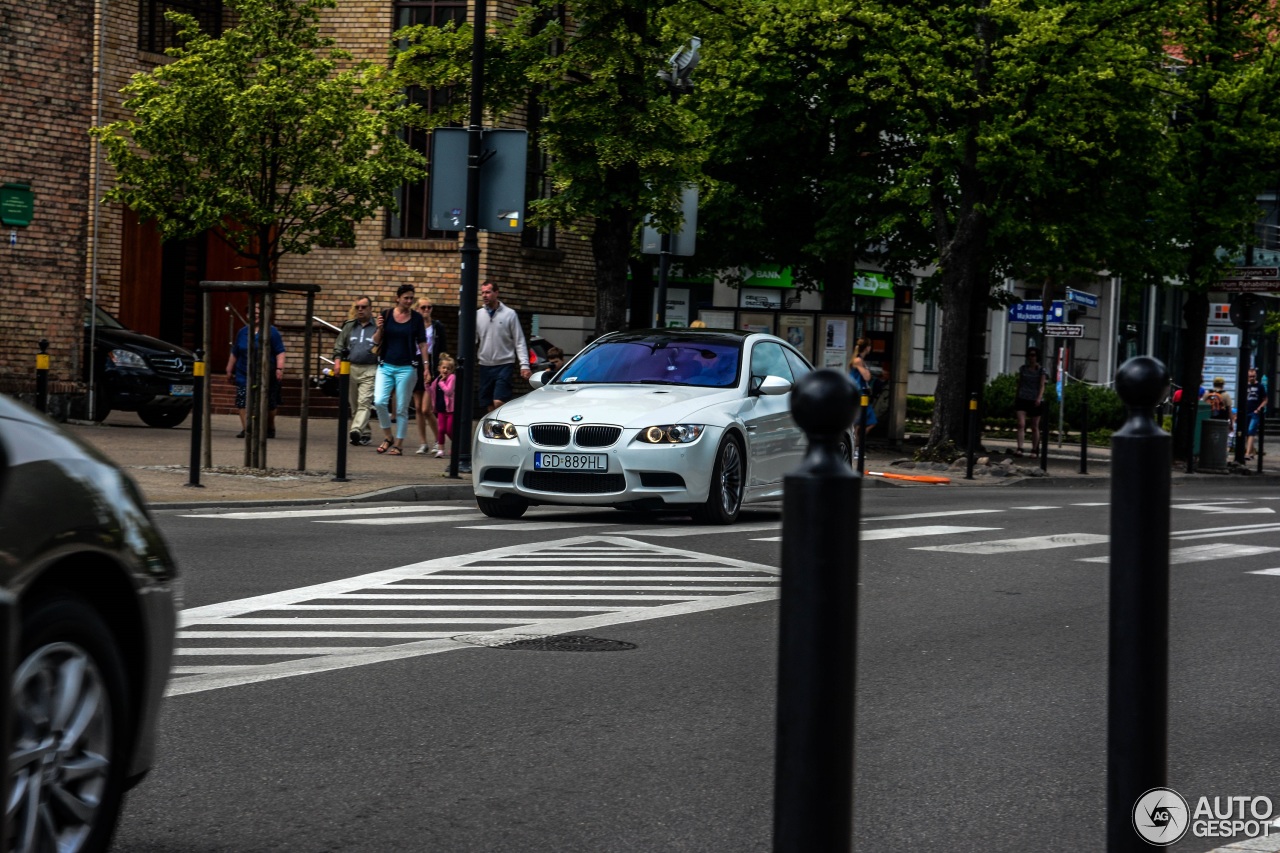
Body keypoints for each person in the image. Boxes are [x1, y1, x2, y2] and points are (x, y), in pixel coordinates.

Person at [371, 284, 427, 456]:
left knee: (402, 407)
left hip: (407, 368)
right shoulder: (386, 314)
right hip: (385, 365)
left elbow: (423, 343)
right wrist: (380, 327)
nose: (409, 301)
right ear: (398, 298)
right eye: (406, 298)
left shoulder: (416, 318)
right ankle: (388, 436)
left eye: (412, 298)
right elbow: (374, 341)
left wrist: (426, 367)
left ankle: (399, 444)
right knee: (379, 401)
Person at [225, 303, 285, 439]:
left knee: (270, 403)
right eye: (252, 314)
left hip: (266, 373)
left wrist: (279, 369)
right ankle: (247, 429)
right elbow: (235, 352)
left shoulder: (272, 332)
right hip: (244, 372)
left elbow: (280, 352)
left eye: (258, 314)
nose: (255, 316)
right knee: (242, 400)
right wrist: (229, 369)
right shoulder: (242, 332)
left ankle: (270, 427)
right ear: (247, 316)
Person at [476, 280, 531, 412]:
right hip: (485, 364)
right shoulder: (478, 315)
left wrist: (524, 364)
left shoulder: (509, 314)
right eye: (482, 292)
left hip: (504, 364)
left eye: (488, 292)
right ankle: (494, 429)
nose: (484, 295)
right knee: (488, 403)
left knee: (498, 401)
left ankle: (501, 424)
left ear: (496, 293)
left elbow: (519, 340)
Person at [332, 296, 378, 446]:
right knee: (354, 405)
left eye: (364, 307)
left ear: (370, 308)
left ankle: (356, 430)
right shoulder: (349, 326)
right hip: (351, 368)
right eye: (358, 307)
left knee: (364, 402)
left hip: (370, 368)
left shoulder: (377, 326)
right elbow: (339, 345)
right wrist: (337, 362)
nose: (360, 310)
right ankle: (365, 434)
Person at [412, 297, 448, 455]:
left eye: (429, 307)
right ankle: (423, 442)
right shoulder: (414, 327)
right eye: (423, 307)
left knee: (427, 409)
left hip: (432, 366)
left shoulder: (437, 327)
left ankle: (438, 440)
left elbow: (443, 349)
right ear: (417, 309)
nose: (426, 310)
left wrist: (442, 369)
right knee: (418, 408)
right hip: (415, 365)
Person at [1014, 348, 1047, 457]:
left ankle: (1034, 449)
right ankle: (1020, 448)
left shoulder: (1041, 370)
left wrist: (1039, 398)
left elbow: (1042, 385)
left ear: (1037, 357)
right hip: (1022, 397)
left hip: (1034, 399)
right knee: (1021, 424)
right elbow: (1020, 382)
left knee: (1034, 426)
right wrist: (1017, 394)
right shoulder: (1023, 369)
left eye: (1033, 355)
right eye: (1030, 355)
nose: (1031, 358)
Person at [847, 337, 878, 446]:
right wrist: (868, 372)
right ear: (866, 348)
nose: (870, 348)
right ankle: (856, 446)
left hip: (861, 395)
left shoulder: (860, 360)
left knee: (865, 422)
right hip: (858, 395)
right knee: (858, 423)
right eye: (869, 346)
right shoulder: (858, 360)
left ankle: (857, 445)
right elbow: (867, 377)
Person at [425, 353, 456, 458]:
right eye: (444, 368)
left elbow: (449, 392)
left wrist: (442, 383)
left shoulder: (452, 378)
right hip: (441, 409)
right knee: (441, 430)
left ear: (452, 370)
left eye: (448, 368)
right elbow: (431, 391)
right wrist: (427, 384)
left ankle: (456, 445)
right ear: (439, 368)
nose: (445, 370)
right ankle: (441, 450)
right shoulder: (438, 379)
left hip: (450, 410)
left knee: (448, 430)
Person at [1243, 368, 1267, 460]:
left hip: (1255, 412)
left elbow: (1265, 399)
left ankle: (1247, 453)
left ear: (1256, 376)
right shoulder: (1245, 386)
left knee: (1251, 431)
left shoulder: (1260, 386)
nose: (1252, 378)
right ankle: (1252, 452)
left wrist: (1259, 408)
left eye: (1253, 376)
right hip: (1246, 411)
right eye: (1250, 376)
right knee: (1246, 433)